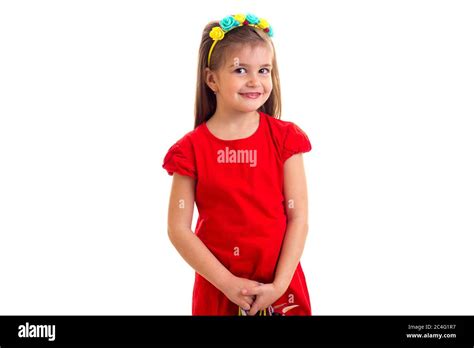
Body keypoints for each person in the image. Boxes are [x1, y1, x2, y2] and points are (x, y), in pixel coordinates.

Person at [162, 13, 313, 316]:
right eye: (241, 70)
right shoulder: (189, 151)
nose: (255, 81)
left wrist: (279, 285)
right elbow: (178, 228)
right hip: (218, 291)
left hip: (281, 289)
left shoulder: (285, 140)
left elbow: (298, 218)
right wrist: (228, 283)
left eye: (264, 70)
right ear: (212, 79)